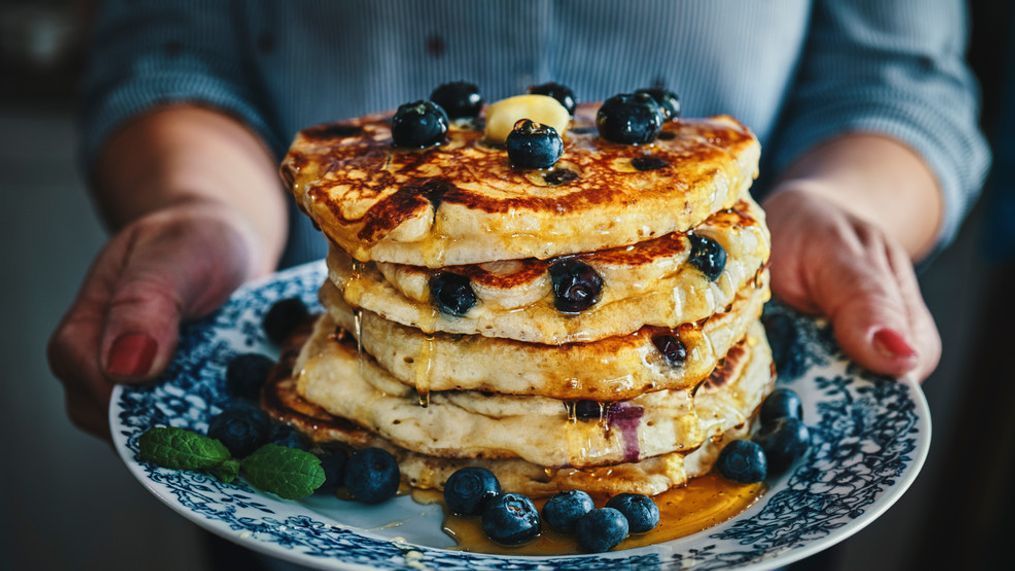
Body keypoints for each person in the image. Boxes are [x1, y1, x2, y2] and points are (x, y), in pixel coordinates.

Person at [50, 0, 988, 439]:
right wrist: (203, 206)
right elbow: (170, 49)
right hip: (337, 446)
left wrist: (836, 206)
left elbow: (895, 83)